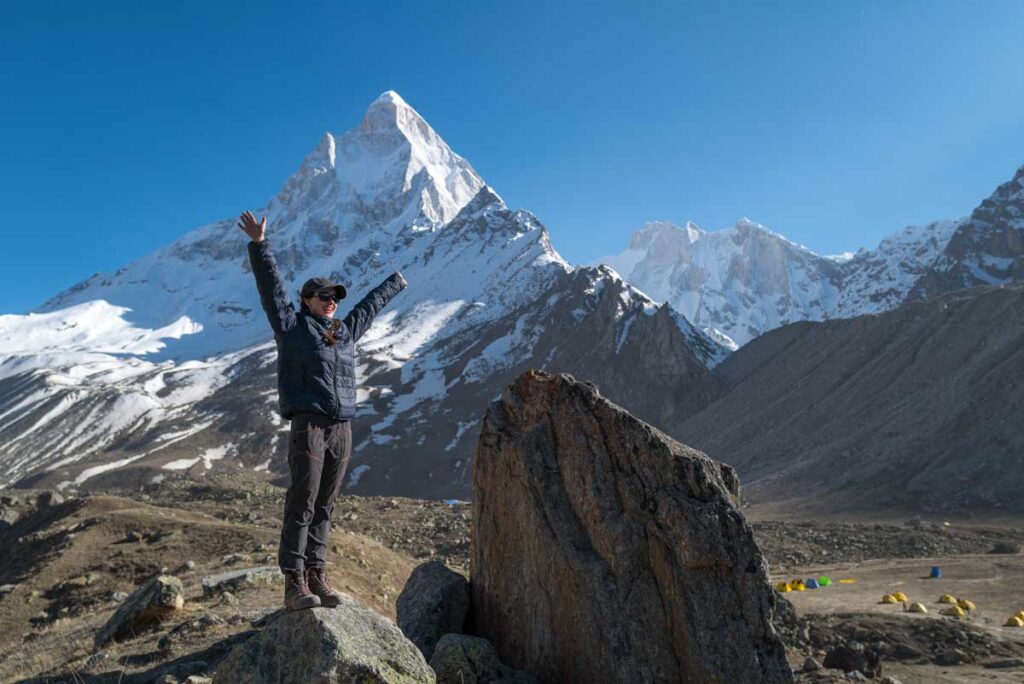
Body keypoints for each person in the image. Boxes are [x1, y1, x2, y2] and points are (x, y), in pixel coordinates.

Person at [238, 210, 408, 611]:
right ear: (306, 300)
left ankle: (317, 574)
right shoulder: (291, 326)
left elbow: (369, 306)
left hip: (341, 426)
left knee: (326, 504)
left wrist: (397, 282)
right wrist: (260, 245)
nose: (331, 302)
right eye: (324, 297)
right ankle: (293, 583)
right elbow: (271, 289)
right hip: (309, 425)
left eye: (334, 298)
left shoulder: (344, 332)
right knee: (303, 500)